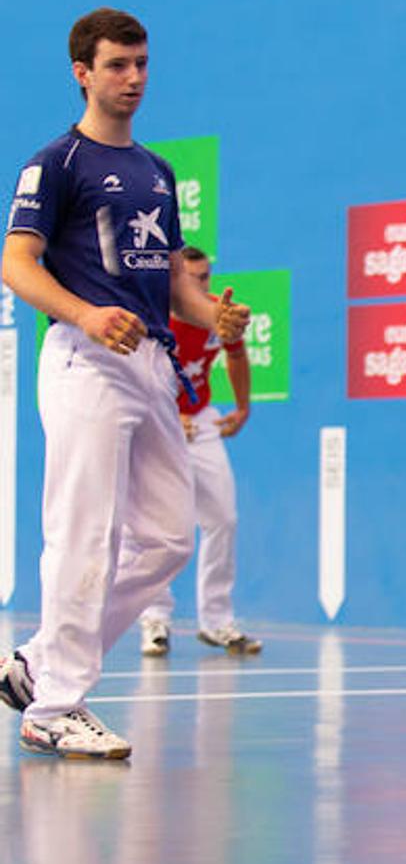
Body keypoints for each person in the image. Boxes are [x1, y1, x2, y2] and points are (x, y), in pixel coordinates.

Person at [0, 8, 251, 759]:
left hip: (151, 364)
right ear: (83, 71)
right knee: (84, 530)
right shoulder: (57, 163)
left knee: (170, 538)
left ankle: (39, 664)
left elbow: (173, 282)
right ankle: (56, 704)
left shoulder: (158, 171)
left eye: (141, 63)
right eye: (117, 65)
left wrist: (216, 316)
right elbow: (16, 263)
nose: (134, 78)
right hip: (84, 358)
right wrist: (85, 313)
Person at [138, 245, 262, 657]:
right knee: (160, 529)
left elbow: (237, 353)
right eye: (191, 279)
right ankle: (155, 618)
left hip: (202, 420)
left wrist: (242, 406)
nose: (200, 286)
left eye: (205, 277)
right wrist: (169, 416)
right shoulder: (154, 315)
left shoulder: (215, 314)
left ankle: (217, 620)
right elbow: (136, 378)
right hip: (156, 422)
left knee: (223, 518)